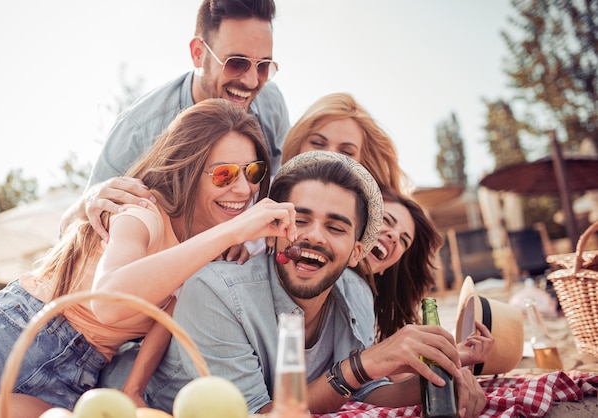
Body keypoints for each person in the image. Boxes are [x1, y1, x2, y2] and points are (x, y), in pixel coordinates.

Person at [0, 99, 298, 418]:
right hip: (16, 323)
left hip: (77, 374)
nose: (243, 189)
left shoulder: (207, 249)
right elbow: (109, 302)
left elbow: (165, 317)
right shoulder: (143, 212)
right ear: (188, 170)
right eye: (224, 175)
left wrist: (133, 389)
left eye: (253, 172)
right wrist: (231, 233)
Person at [100, 151, 486, 416]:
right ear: (272, 229)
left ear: (356, 252)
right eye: (299, 220)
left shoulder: (356, 293)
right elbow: (260, 415)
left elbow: (364, 392)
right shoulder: (216, 292)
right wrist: (365, 364)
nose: (314, 237)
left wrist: (435, 383)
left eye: (335, 227)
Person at [61, 0, 289, 241]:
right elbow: (69, 231)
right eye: (236, 63)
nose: (252, 81)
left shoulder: (270, 102)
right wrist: (88, 201)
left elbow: (278, 187)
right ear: (198, 54)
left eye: (263, 66)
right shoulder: (139, 130)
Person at [356, 186, 494, 380]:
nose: (394, 236)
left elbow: (374, 375)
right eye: (386, 220)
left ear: (384, 268)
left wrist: (450, 359)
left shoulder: (362, 299)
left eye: (404, 241)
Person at [281, 92, 409, 193]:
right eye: (317, 143)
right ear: (297, 146)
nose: (330, 156)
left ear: (363, 165)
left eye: (346, 152)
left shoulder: (382, 218)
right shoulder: (263, 200)